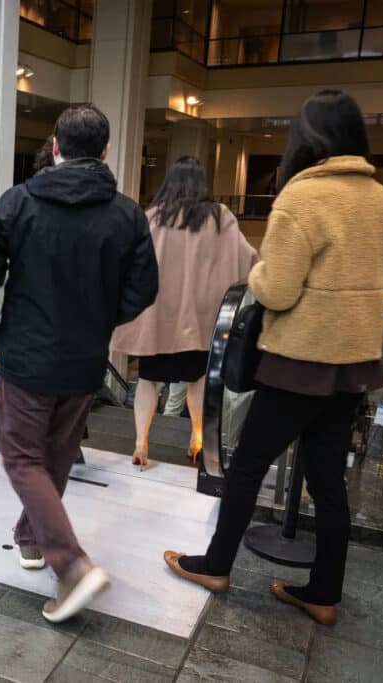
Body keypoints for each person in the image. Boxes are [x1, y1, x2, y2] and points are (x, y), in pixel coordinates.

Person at [164, 90, 383, 626]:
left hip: (299, 359)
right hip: (352, 364)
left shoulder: (302, 197)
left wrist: (258, 274)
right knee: (327, 482)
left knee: (246, 466)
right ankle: (323, 593)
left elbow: (275, 290)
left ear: (308, 138)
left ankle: (216, 565)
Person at [0, 105, 158, 623]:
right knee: (55, 454)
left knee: (22, 457)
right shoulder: (127, 214)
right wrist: (101, 321)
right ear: (106, 151)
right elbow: (144, 290)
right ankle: (31, 539)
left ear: (55, 146)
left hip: (26, 356)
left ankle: (71, 565)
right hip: (84, 358)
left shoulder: (19, 203)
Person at [113, 157, 257, 469]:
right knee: (197, 380)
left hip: (157, 321)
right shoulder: (220, 218)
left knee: (148, 380)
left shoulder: (151, 217)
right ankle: (196, 438)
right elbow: (248, 258)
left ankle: (140, 442)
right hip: (199, 322)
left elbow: (125, 260)